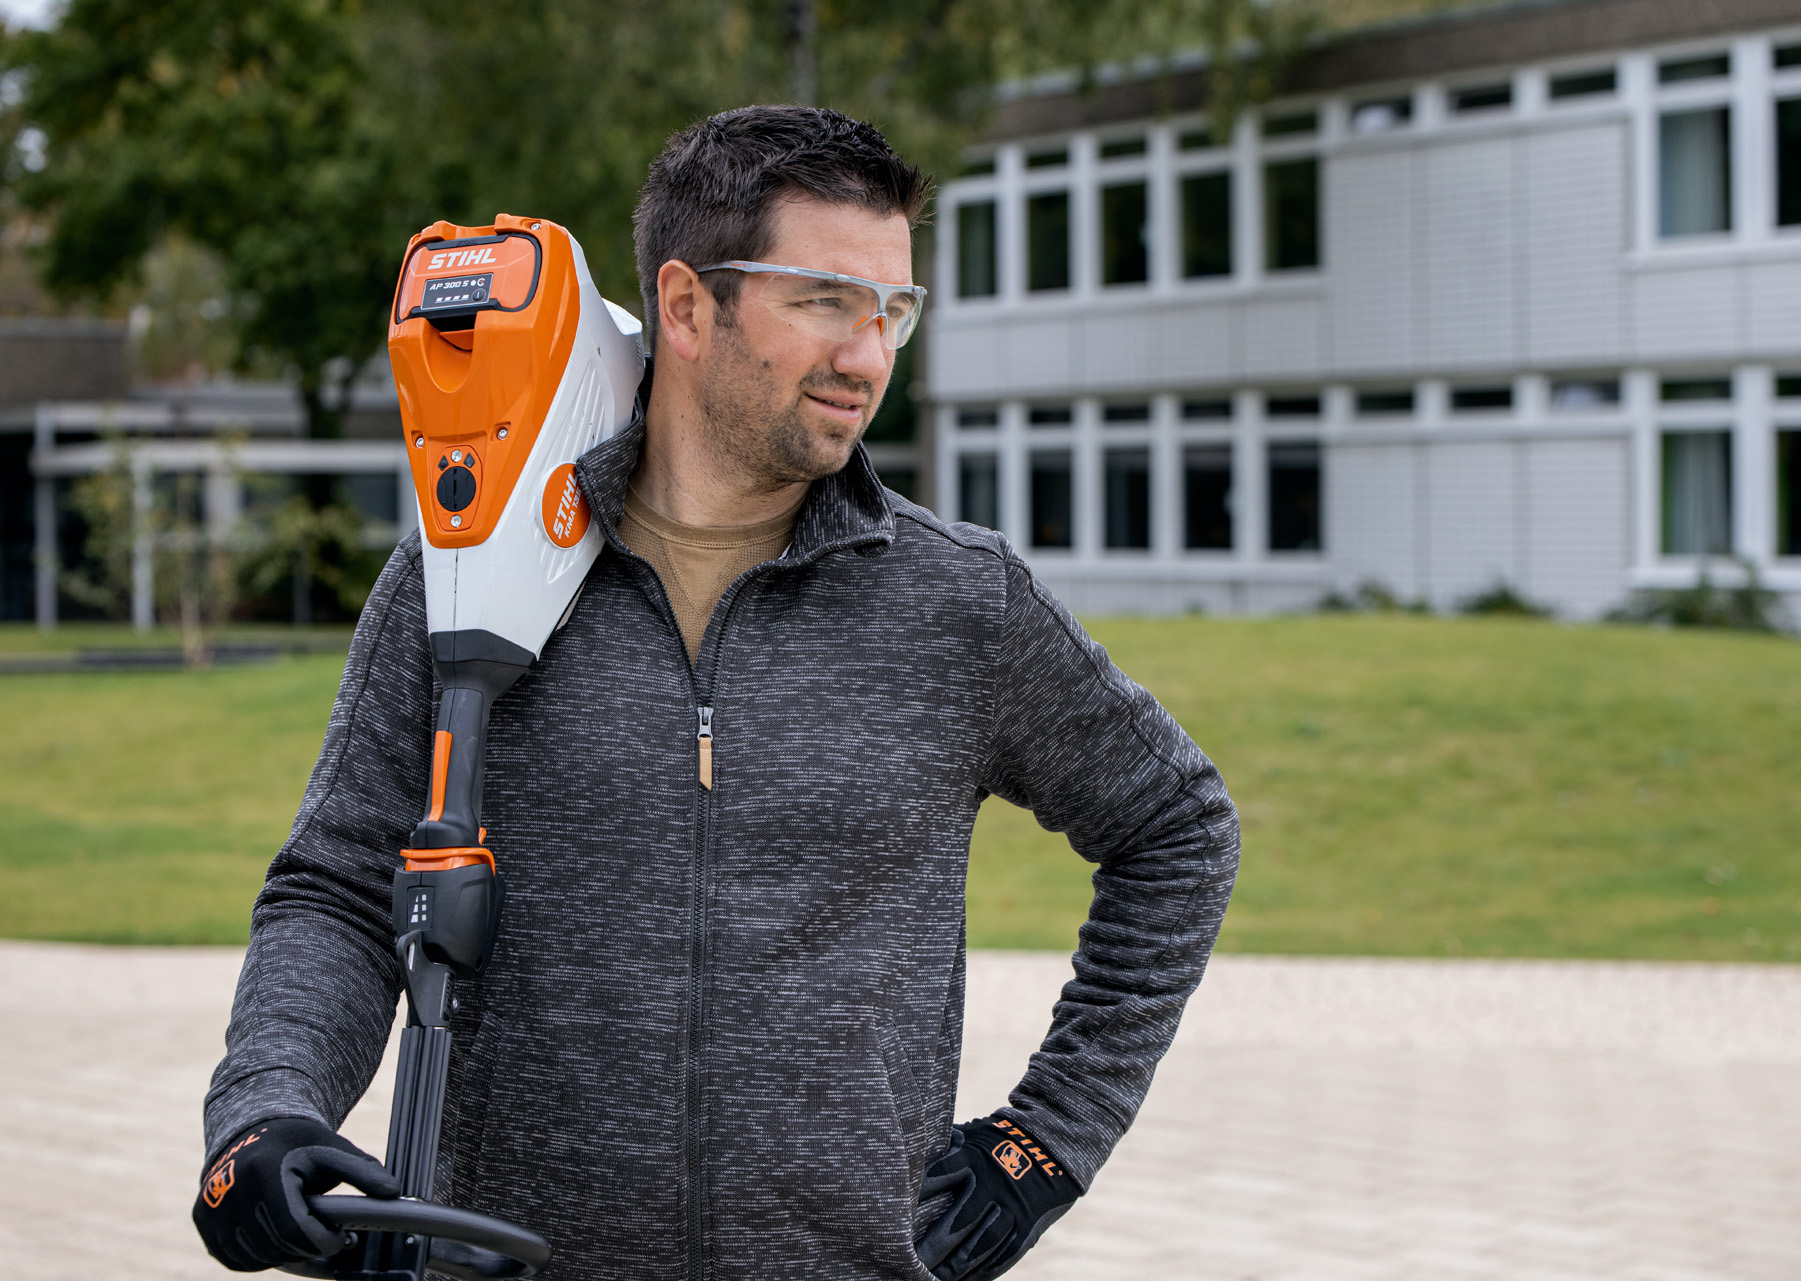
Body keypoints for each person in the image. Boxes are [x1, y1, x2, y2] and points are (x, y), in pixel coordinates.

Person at [194, 104, 1239, 1281]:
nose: (870, 355)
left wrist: (1048, 1137)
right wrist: (264, 1112)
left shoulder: (959, 604)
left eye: (893, 308)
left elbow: (1177, 827)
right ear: (688, 307)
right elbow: (339, 884)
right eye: (824, 302)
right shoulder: (465, 571)